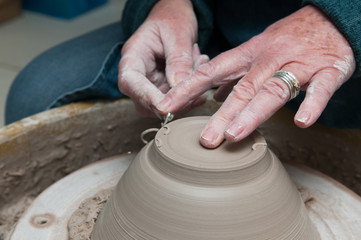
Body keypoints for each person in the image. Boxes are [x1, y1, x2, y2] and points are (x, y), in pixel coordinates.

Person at [6, 0, 361, 149]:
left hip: (336, 40)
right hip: (220, 24)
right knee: (39, 92)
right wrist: (170, 5)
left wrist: (343, 21)